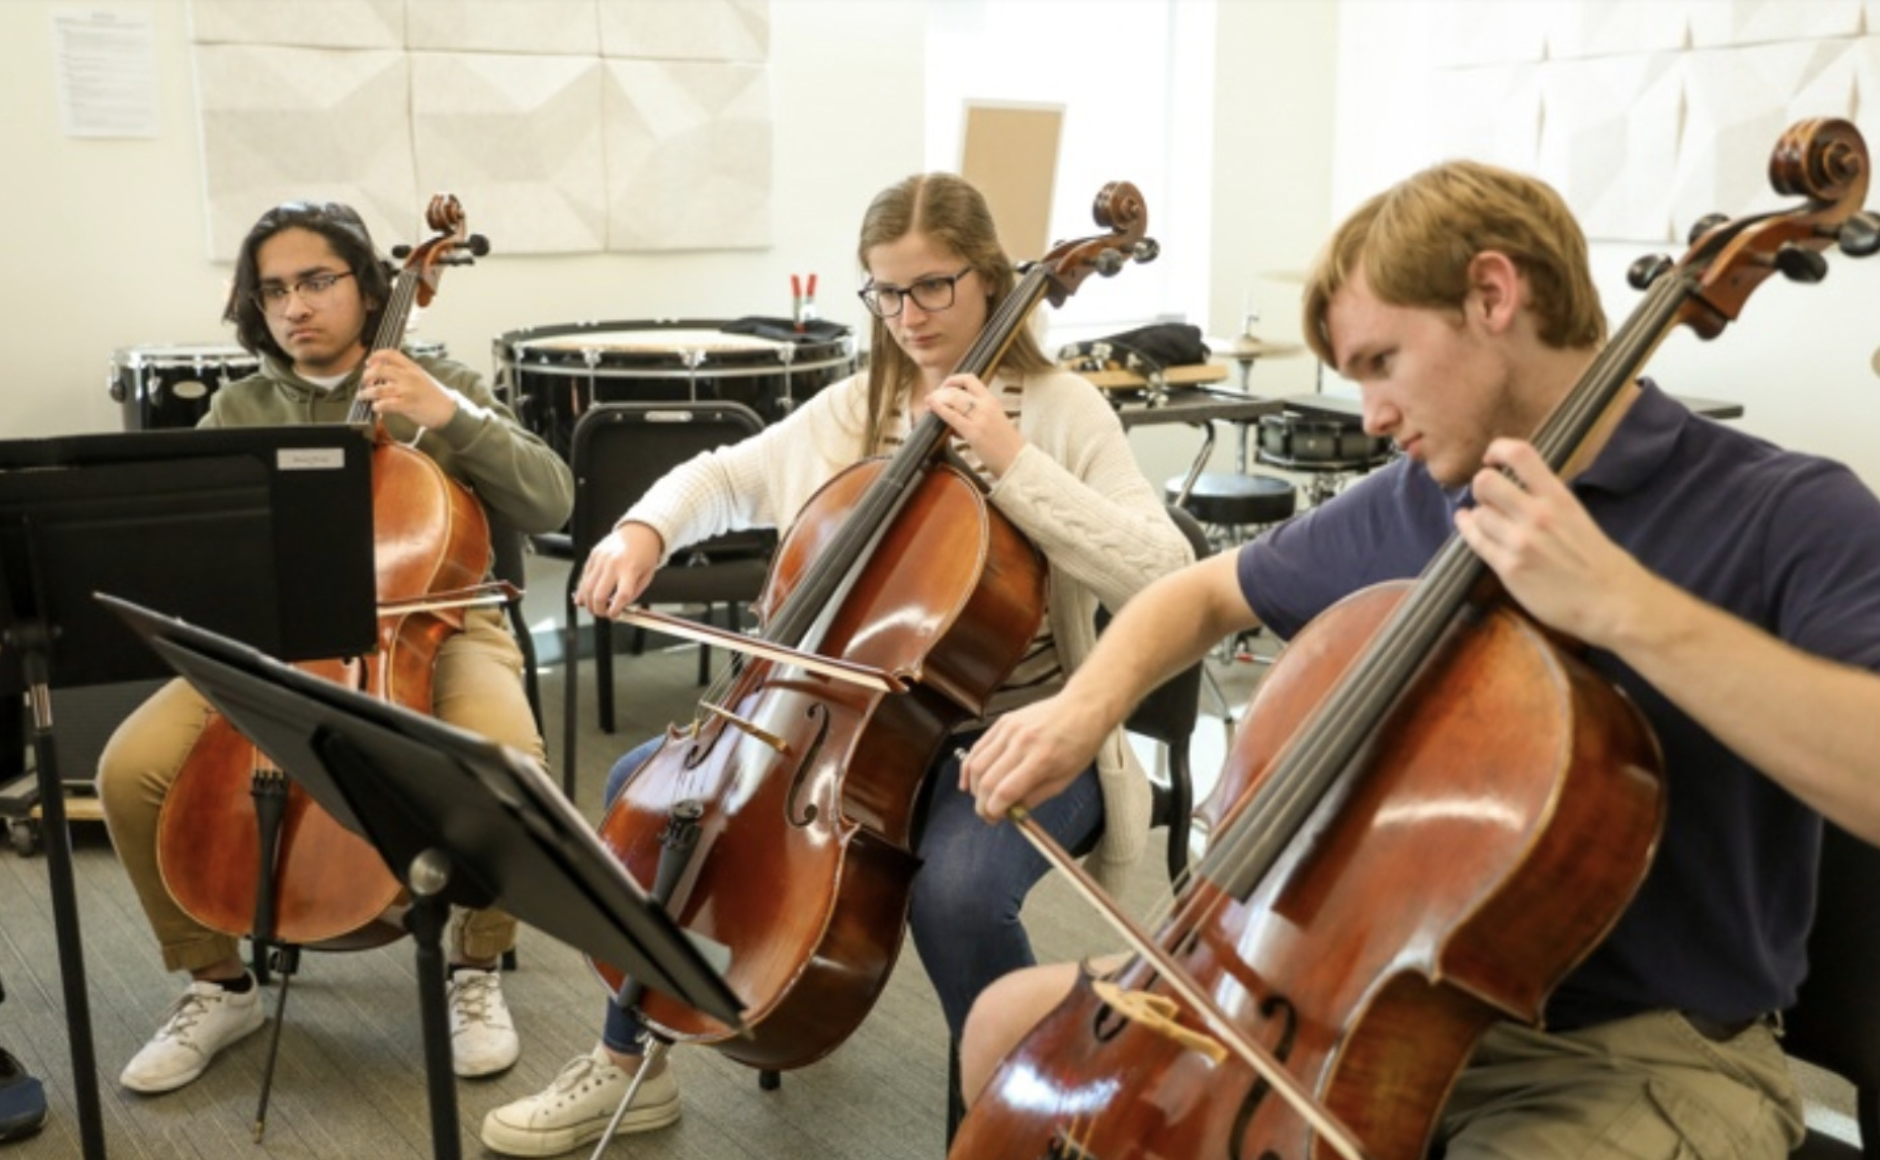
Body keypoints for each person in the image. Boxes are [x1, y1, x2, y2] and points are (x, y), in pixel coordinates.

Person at [953, 159, 1880, 1159]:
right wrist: (1083, 705)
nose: (1369, 417)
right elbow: (1203, 592)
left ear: (1491, 294)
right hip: (1346, 985)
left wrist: (1623, 606)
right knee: (1009, 1022)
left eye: (1380, 361)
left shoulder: (1786, 512)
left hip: (1629, 1055)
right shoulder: (1420, 497)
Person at [477, 171, 1191, 1158]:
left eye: (930, 287)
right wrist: (643, 528)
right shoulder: (861, 404)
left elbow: (1165, 571)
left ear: (988, 278)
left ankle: (1025, 1109)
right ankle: (627, 1058)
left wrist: (1012, 462)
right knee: (642, 786)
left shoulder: (1065, 412)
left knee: (954, 891)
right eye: (884, 293)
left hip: (1025, 732)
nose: (906, 316)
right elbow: (726, 474)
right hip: (850, 722)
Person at [97, 200, 573, 1095]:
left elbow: (553, 504)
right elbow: (190, 548)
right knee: (130, 770)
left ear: (370, 283)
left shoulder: (436, 379)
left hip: (439, 622)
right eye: (273, 289)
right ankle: (217, 983)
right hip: (275, 636)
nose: (294, 307)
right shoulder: (243, 407)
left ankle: (474, 967)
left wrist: (454, 415)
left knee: (508, 760)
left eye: (316, 281)